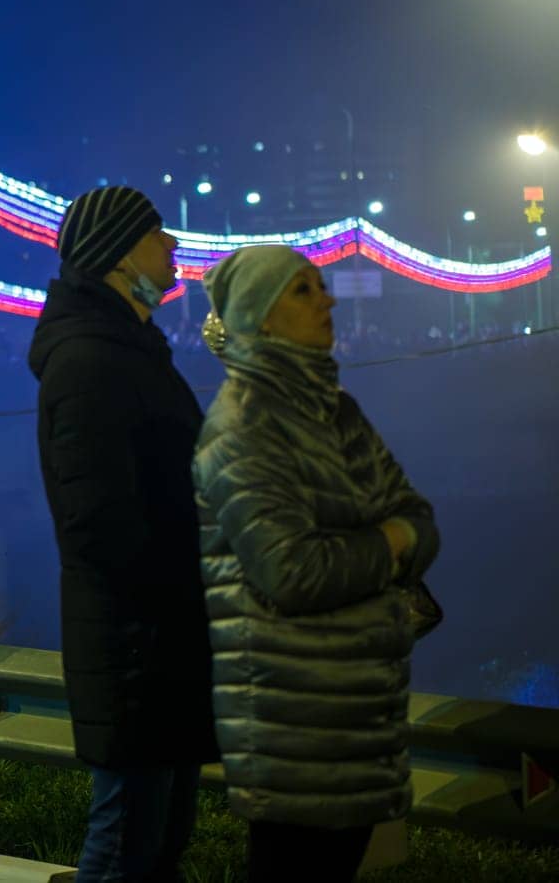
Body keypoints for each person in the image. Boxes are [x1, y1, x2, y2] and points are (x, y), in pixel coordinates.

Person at [193, 245, 440, 883]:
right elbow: (293, 572)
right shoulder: (244, 426)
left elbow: (419, 518)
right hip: (293, 730)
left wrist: (393, 535)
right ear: (260, 316)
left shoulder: (337, 411)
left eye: (321, 285)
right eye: (303, 291)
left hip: (355, 719)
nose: (327, 300)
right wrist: (388, 542)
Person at [27, 186, 216, 881]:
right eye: (155, 233)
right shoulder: (88, 362)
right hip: (135, 649)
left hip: (165, 644)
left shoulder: (133, 348)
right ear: (114, 255)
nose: (172, 245)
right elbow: (98, 523)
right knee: (123, 851)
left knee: (159, 846)